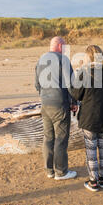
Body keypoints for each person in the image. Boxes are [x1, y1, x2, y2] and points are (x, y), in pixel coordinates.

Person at [69, 45, 103, 192]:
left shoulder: (84, 72)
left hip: (90, 116)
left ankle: (93, 181)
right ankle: (102, 179)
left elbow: (77, 94)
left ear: (87, 57)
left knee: (91, 149)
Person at [35, 36, 78, 180]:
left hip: (45, 104)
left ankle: (49, 171)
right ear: (59, 46)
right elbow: (71, 83)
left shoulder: (40, 59)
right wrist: (74, 102)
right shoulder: (63, 59)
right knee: (61, 138)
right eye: (64, 46)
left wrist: (44, 96)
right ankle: (61, 172)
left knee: (48, 137)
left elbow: (37, 84)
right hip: (59, 104)